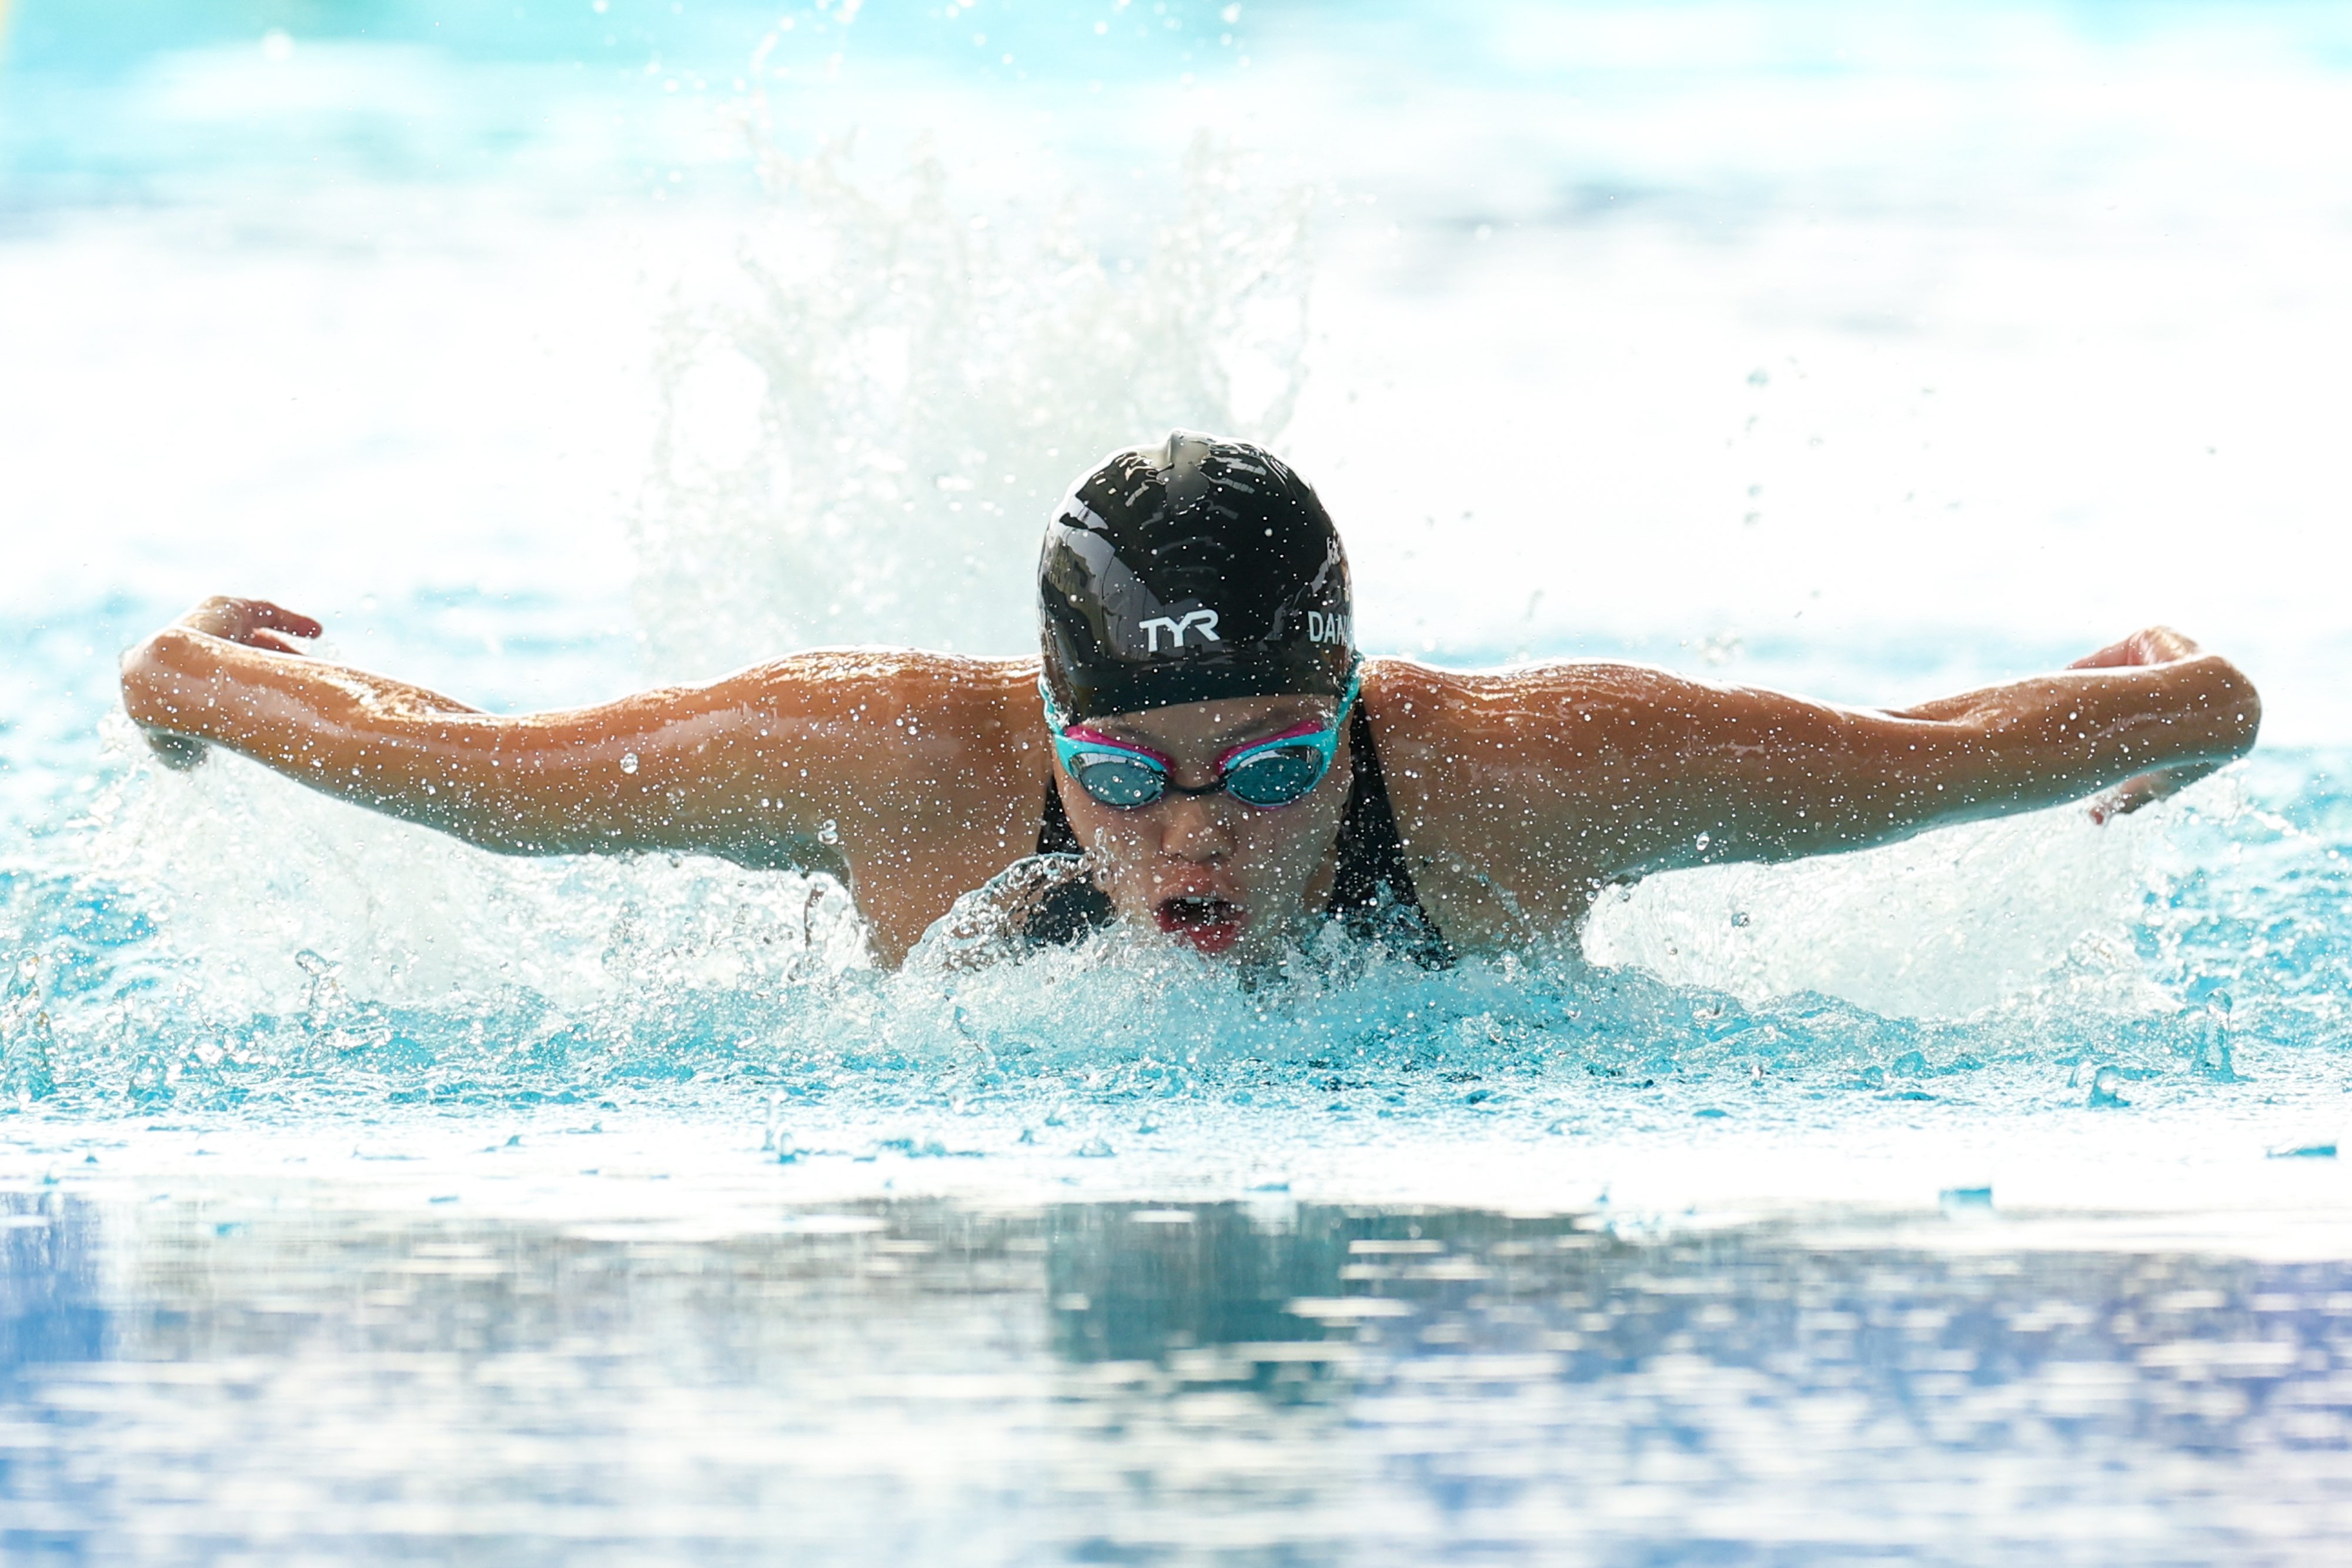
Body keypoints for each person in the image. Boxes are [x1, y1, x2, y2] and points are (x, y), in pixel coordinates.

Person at [119, 432, 2261, 968]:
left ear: (1356, 713)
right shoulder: (894, 763)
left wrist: (2182, 699)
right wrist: (196, 678)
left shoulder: (1536, 774)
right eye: (1123, 776)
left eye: (1276, 765)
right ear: (1046, 731)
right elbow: (487, 784)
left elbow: (1928, 771)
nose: (1194, 836)